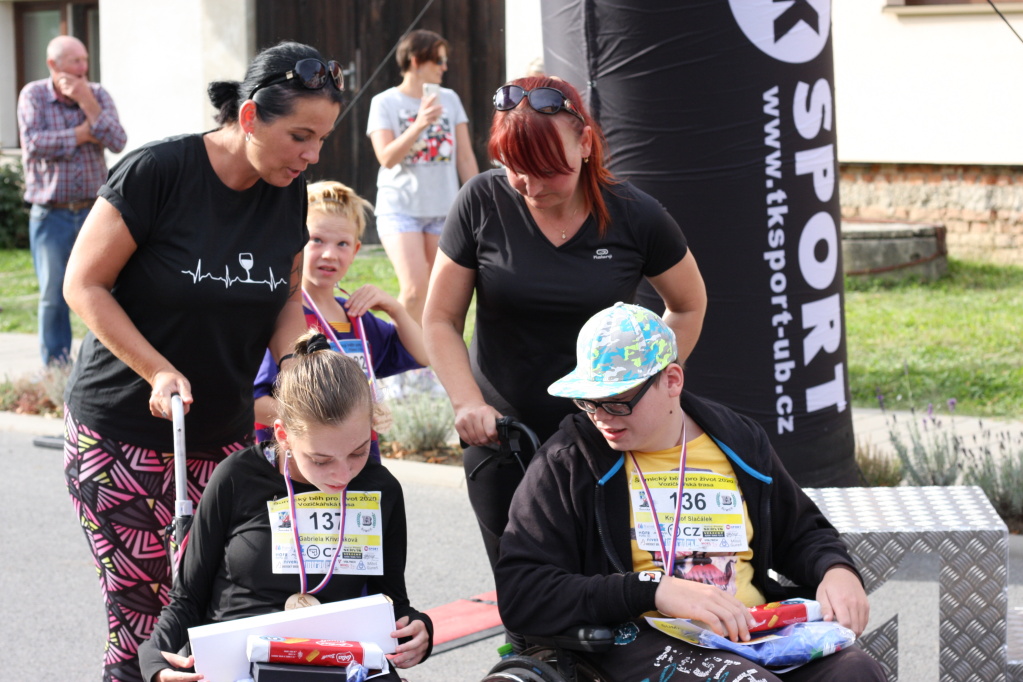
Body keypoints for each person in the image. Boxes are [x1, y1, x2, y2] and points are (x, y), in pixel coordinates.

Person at [61, 42, 344, 682]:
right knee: (144, 623)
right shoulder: (158, 171)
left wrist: (303, 369)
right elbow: (84, 284)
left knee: (219, 613)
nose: (312, 155)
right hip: (123, 436)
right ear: (249, 117)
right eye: (300, 136)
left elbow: (285, 300)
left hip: (224, 439)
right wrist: (156, 368)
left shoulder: (288, 191)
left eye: (322, 139)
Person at [495, 303, 885, 681]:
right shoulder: (568, 461)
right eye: (589, 402)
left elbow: (801, 532)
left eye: (618, 401)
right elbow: (522, 592)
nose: (602, 417)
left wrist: (836, 570)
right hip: (637, 638)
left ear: (672, 381)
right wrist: (652, 590)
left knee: (857, 672)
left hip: (752, 628)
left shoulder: (739, 441)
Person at [422, 76, 707, 571]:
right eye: (515, 168)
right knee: (522, 588)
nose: (530, 186)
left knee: (603, 584)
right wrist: (467, 403)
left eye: (547, 171)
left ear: (585, 144)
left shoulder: (634, 215)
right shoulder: (481, 202)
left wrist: (642, 391)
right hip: (501, 437)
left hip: (601, 433)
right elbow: (441, 317)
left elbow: (687, 306)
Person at [139, 331, 433, 682]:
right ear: (283, 435)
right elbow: (187, 597)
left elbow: (391, 602)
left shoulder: (380, 488)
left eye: (358, 452)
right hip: (239, 664)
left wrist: (419, 630)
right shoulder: (237, 477)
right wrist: (155, 661)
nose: (343, 474)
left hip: (339, 663)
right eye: (321, 460)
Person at [253, 179, 429, 454]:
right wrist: (324, 421)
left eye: (342, 243)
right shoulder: (282, 318)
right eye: (316, 240)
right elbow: (255, 404)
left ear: (356, 250)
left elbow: (424, 355)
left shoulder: (357, 316)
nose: (329, 254)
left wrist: (395, 309)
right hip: (300, 464)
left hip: (360, 460)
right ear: (295, 242)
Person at [17, 34, 126, 365]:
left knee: (108, 291)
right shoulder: (33, 95)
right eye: (75, 61)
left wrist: (87, 103)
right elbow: (33, 144)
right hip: (51, 214)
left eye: (85, 60)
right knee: (53, 295)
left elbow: (117, 140)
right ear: (53, 64)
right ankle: (56, 366)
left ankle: (106, 363)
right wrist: (82, 134)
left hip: (96, 213)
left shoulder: (97, 94)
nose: (83, 68)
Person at [366, 28, 479, 323]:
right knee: (415, 291)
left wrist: (481, 201)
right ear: (416, 61)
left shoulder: (450, 99)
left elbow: (465, 157)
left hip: (443, 210)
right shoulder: (385, 102)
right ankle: (397, 351)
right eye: (438, 60)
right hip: (400, 208)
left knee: (436, 296)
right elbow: (386, 158)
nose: (445, 67)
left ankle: (425, 351)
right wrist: (419, 124)